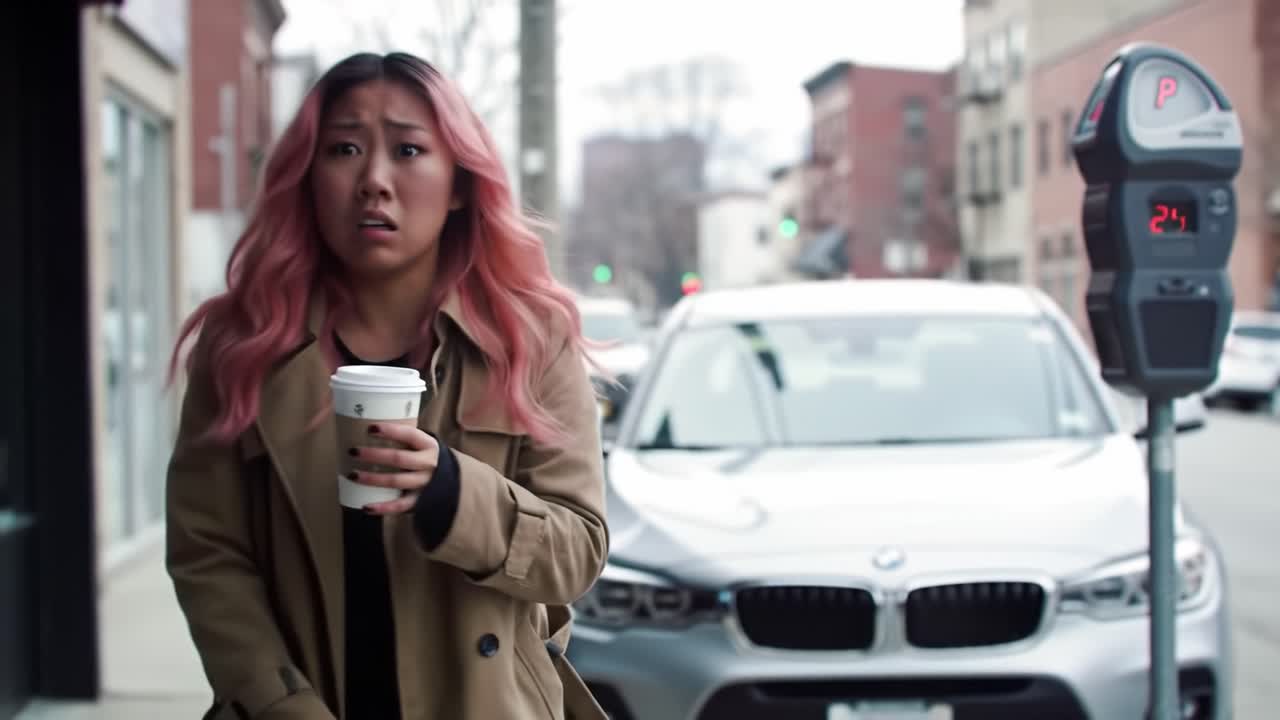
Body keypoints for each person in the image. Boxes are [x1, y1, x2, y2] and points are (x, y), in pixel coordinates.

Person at [165, 52, 609, 720]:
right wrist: (280, 703)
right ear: (309, 176)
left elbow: (577, 552)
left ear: (459, 181)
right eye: (344, 148)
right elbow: (209, 555)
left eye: (408, 149)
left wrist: (451, 493)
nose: (374, 180)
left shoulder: (531, 339)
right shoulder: (244, 343)